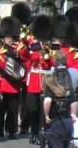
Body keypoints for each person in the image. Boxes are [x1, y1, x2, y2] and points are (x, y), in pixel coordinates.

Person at [0, 16, 29, 139]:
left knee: (13, 109)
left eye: (9, 37)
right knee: (2, 109)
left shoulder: (18, 47)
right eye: (6, 37)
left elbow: (25, 58)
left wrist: (17, 53)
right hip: (3, 82)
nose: (8, 39)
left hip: (14, 83)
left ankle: (12, 130)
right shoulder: (0, 49)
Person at [25, 15, 55, 144]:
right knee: (33, 109)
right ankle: (33, 132)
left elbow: (53, 63)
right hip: (33, 81)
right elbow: (27, 60)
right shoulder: (33, 46)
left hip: (46, 81)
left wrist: (47, 57)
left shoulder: (51, 47)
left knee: (44, 110)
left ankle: (42, 132)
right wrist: (35, 53)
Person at [42, 50, 77, 148]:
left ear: (54, 61)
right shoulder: (72, 74)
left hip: (56, 121)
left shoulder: (50, 78)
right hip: (68, 121)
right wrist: (73, 116)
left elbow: (47, 101)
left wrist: (46, 116)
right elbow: (74, 100)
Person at [11, 2, 33, 134]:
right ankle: (12, 125)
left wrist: (23, 44)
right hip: (14, 69)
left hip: (25, 70)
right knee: (14, 100)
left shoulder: (28, 34)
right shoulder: (13, 33)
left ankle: (24, 124)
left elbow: (30, 53)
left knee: (24, 100)